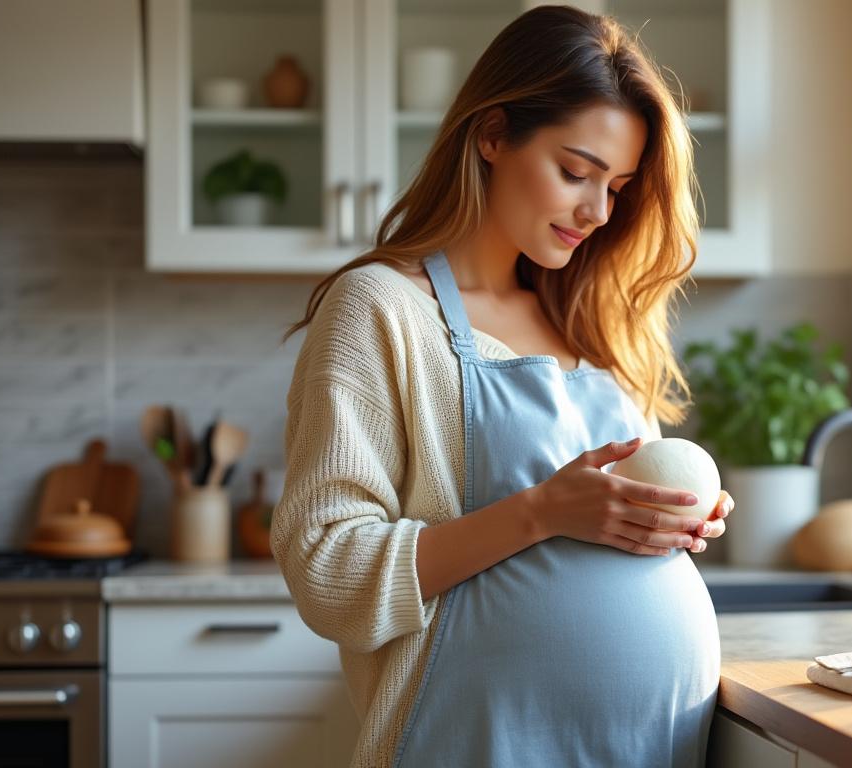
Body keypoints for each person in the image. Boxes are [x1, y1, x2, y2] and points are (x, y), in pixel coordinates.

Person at [271, 5, 735, 766]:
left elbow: (609, 531)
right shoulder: (383, 309)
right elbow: (328, 570)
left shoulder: (591, 321)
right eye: (575, 172)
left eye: (617, 186)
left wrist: (673, 520)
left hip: (652, 744)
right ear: (492, 134)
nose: (597, 211)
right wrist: (541, 512)